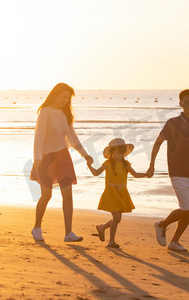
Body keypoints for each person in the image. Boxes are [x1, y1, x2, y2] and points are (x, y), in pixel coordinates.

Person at [30, 83, 93, 242]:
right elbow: (39, 137)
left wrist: (86, 155)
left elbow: (73, 138)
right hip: (46, 158)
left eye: (68, 98)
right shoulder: (45, 112)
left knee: (68, 195)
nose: (66, 101)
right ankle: (37, 227)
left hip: (63, 156)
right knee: (46, 195)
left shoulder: (66, 114)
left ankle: (68, 233)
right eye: (64, 97)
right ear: (55, 94)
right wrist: (37, 158)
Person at [147, 89, 189, 252]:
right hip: (177, 171)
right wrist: (152, 164)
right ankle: (162, 224)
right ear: (180, 104)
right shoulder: (172, 123)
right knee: (186, 207)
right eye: (186, 102)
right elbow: (158, 142)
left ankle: (174, 241)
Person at [87, 138, 147, 248]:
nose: (120, 155)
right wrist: (90, 166)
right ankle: (111, 241)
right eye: (117, 152)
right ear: (111, 153)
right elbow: (96, 173)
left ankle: (102, 228)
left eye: (122, 153)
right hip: (111, 193)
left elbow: (136, 174)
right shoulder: (107, 163)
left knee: (117, 219)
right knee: (116, 218)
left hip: (121, 194)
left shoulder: (126, 164)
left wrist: (147, 174)